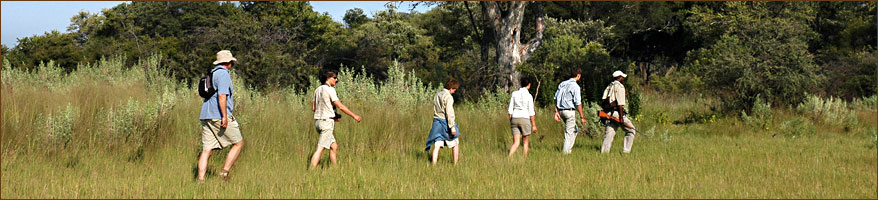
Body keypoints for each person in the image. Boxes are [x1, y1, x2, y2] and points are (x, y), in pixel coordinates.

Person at [197, 50, 244, 182]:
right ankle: (224, 173)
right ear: (228, 63)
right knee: (238, 143)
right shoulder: (223, 74)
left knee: (207, 150)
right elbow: (222, 96)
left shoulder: (212, 73)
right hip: (218, 115)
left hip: (206, 114)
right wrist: (224, 116)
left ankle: (200, 180)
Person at [310, 71, 362, 168]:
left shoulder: (317, 90)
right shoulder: (330, 90)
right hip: (326, 123)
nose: (336, 80)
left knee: (334, 146)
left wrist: (331, 115)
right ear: (328, 78)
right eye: (334, 78)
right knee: (320, 149)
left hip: (318, 122)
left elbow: (314, 108)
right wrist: (354, 116)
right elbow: (340, 106)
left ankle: (335, 169)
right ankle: (311, 172)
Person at [426, 78, 461, 165]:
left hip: (436, 122)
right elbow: (449, 113)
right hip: (445, 122)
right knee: (455, 142)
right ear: (451, 88)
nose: (454, 92)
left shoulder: (437, 94)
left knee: (437, 144)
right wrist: (452, 127)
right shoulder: (449, 97)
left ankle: (433, 164)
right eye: (454, 90)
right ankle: (455, 164)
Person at [553, 68, 587, 154]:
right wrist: (582, 116)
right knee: (569, 133)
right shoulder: (576, 86)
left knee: (574, 130)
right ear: (578, 76)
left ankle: (568, 150)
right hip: (569, 111)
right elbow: (578, 103)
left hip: (561, 111)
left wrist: (556, 111)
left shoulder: (562, 84)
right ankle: (565, 153)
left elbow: (555, 98)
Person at [601, 71, 636, 153]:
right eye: (622, 77)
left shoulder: (610, 86)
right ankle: (626, 152)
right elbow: (620, 104)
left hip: (608, 113)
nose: (623, 78)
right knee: (631, 130)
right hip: (617, 113)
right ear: (619, 77)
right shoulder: (620, 87)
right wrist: (621, 118)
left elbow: (604, 100)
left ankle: (604, 153)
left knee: (609, 134)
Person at [507, 77, 537, 157]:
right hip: (524, 118)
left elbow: (510, 109)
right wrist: (533, 125)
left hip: (515, 118)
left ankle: (509, 157)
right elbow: (531, 112)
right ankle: (525, 159)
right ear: (529, 85)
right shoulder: (529, 96)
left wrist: (511, 120)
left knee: (516, 142)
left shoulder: (514, 94)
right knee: (525, 142)